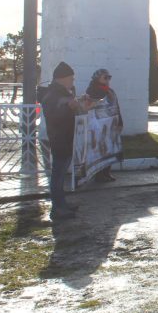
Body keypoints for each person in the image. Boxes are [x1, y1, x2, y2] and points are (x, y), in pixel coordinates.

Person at [41, 62, 95, 221]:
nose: (73, 81)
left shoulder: (62, 92)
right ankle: (57, 208)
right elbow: (54, 116)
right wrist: (69, 107)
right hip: (59, 139)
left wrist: (79, 102)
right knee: (57, 176)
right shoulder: (52, 95)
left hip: (66, 137)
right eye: (71, 78)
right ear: (62, 78)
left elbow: (68, 107)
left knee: (61, 174)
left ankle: (62, 204)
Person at [86, 68, 123, 182]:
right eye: (105, 78)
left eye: (109, 77)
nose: (107, 80)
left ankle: (107, 172)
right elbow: (92, 103)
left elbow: (116, 107)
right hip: (99, 125)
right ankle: (99, 174)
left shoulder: (110, 91)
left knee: (110, 149)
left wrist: (120, 121)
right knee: (100, 150)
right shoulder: (92, 90)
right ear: (97, 79)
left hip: (111, 125)